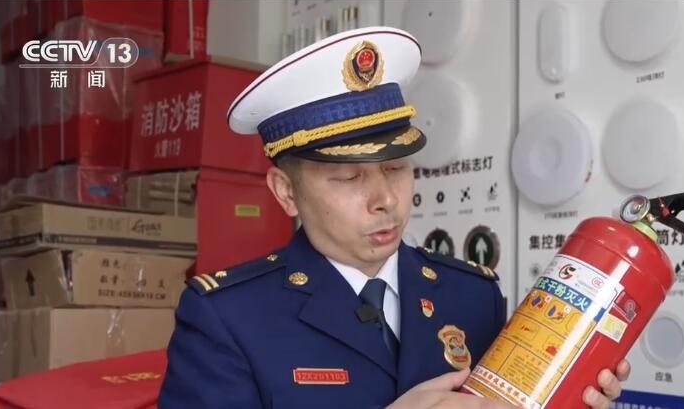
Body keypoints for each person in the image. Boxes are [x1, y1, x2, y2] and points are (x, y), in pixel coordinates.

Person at [158, 26, 630, 409]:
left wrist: (566, 395)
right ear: (287, 192)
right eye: (349, 178)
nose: (385, 198)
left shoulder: (472, 295)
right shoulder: (229, 318)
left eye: (396, 168)